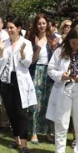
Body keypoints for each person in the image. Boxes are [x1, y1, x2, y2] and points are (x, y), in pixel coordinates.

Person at [0, 17, 37, 153]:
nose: (9, 30)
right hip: (6, 80)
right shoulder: (4, 43)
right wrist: (1, 50)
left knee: (21, 112)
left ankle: (24, 143)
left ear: (19, 28)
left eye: (12, 27)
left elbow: (27, 63)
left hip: (19, 80)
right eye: (7, 28)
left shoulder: (26, 43)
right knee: (11, 111)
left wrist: (22, 53)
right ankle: (16, 140)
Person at [27, 14, 58, 144]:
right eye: (39, 23)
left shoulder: (53, 39)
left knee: (49, 103)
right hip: (36, 72)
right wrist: (38, 47)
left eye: (44, 23)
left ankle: (48, 131)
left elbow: (57, 58)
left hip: (50, 73)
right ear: (36, 25)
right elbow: (31, 61)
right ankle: (33, 132)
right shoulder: (31, 39)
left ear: (47, 24)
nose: (41, 26)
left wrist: (55, 47)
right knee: (36, 104)